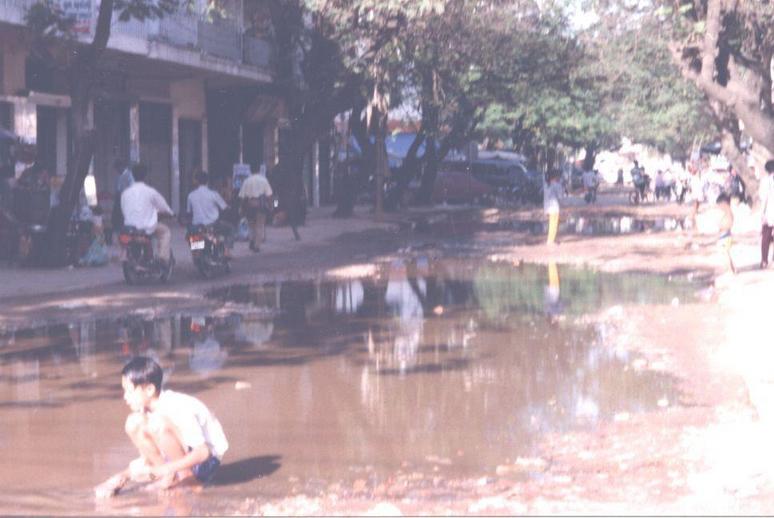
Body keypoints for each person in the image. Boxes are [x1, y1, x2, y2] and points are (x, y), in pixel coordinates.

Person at [94, 356, 228, 498]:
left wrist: (161, 470)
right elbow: (147, 458)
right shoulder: (146, 410)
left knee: (156, 424)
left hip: (206, 462)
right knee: (133, 422)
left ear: (150, 389)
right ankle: (170, 477)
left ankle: (188, 481)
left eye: (130, 391)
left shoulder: (176, 407)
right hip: (180, 458)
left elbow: (203, 452)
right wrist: (122, 476)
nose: (125, 397)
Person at [121, 164, 174, 267]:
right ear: (145, 176)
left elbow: (124, 210)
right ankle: (163, 259)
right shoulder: (150, 192)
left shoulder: (125, 193)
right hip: (146, 227)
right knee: (165, 232)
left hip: (129, 227)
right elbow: (164, 207)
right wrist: (171, 213)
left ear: (132, 175)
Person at [186, 171, 234, 257]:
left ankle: (196, 251)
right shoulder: (213, 194)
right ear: (207, 181)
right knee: (230, 229)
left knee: (191, 234)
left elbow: (189, 212)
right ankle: (227, 250)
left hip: (197, 226)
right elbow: (224, 207)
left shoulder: (191, 195)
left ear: (196, 181)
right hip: (213, 225)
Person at [238, 164, 273, 252]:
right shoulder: (263, 180)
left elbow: (242, 196)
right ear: (259, 170)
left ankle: (252, 240)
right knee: (260, 226)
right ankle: (257, 245)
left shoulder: (247, 181)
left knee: (251, 225)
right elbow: (269, 195)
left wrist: (241, 208)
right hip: (261, 205)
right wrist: (270, 205)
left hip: (250, 205)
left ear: (250, 170)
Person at [110, 159, 134, 242]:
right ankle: (120, 237)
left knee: (125, 220)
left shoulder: (129, 175)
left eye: (118, 168)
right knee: (117, 220)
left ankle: (126, 239)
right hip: (118, 200)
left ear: (122, 167)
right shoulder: (119, 176)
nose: (117, 171)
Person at [715, 192, 736, 274]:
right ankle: (731, 268)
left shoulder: (729, 213)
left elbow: (728, 224)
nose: (720, 208)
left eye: (720, 206)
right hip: (725, 236)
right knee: (726, 254)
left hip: (726, 236)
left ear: (724, 204)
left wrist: (721, 226)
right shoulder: (727, 213)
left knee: (726, 254)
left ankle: (731, 269)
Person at [759, 160, 774, 269]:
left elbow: (763, 198)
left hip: (769, 211)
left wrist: (762, 214)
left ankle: (764, 260)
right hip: (770, 211)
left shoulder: (765, 181)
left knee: (766, 237)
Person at [544, 169, 563, 245]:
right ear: (555, 176)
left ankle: (550, 239)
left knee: (551, 223)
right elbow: (560, 196)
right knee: (554, 224)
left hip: (547, 206)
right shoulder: (556, 185)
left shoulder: (546, 184)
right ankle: (550, 240)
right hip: (554, 207)